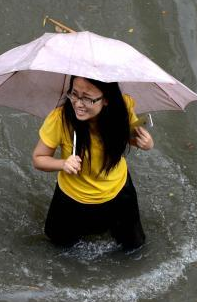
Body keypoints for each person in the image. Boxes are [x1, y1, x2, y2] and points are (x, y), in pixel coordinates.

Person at [32, 76, 153, 249]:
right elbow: (38, 158)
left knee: (134, 247)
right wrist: (63, 164)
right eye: (74, 94)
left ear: (106, 100)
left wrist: (146, 143)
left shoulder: (122, 108)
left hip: (118, 193)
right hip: (72, 198)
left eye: (87, 98)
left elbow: (128, 136)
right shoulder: (60, 119)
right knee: (58, 247)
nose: (78, 104)